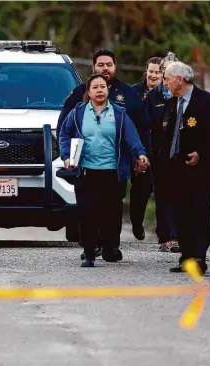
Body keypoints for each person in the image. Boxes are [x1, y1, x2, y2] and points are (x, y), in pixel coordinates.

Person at [59, 74, 149, 267]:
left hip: (112, 173)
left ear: (108, 90)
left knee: (112, 213)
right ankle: (89, 252)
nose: (99, 90)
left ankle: (110, 248)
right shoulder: (78, 113)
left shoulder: (119, 113)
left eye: (103, 87)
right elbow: (64, 134)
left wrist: (140, 154)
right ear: (89, 92)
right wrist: (66, 156)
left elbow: (131, 138)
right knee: (87, 214)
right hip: (86, 172)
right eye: (95, 87)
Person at [160, 61, 210, 274]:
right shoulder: (171, 104)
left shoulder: (206, 102)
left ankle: (199, 257)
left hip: (201, 169)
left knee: (199, 210)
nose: (164, 82)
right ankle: (186, 256)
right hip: (176, 169)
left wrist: (201, 154)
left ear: (180, 79)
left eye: (167, 77)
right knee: (180, 212)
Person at [143, 52, 180, 252]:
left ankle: (179, 235)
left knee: (180, 196)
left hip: (180, 156)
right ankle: (166, 237)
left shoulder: (184, 95)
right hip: (159, 155)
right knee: (163, 196)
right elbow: (146, 126)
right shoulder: (153, 96)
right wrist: (148, 152)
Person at [127, 57, 163, 242]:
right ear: (146, 71)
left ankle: (165, 233)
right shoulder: (133, 93)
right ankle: (136, 221)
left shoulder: (167, 94)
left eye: (158, 72)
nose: (154, 75)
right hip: (139, 149)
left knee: (163, 192)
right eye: (151, 71)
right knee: (140, 190)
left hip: (160, 150)